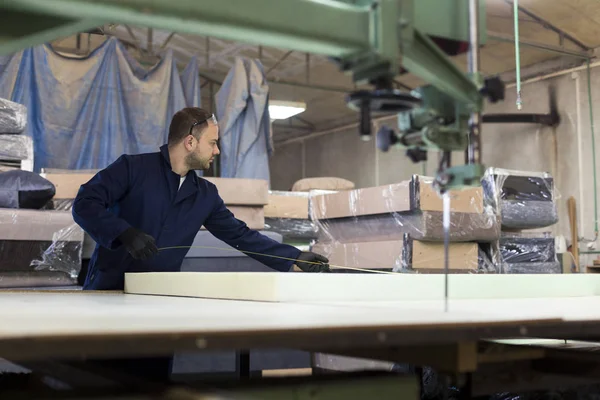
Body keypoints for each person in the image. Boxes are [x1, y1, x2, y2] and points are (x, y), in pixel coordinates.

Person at [72, 107, 330, 291]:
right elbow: (85, 204)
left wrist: (294, 257)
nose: (217, 151)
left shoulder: (205, 194)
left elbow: (240, 236)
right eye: (213, 143)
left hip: (161, 296)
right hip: (109, 290)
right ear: (190, 142)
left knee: (154, 368)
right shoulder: (132, 168)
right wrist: (124, 233)